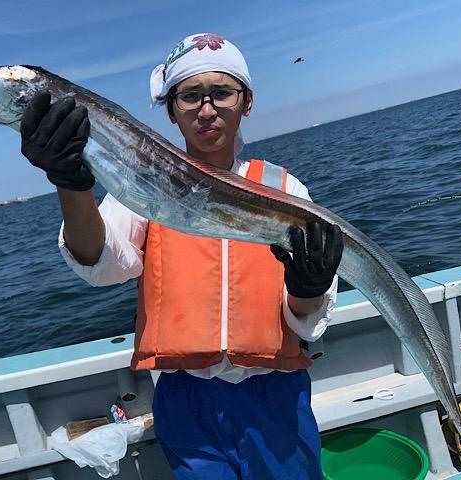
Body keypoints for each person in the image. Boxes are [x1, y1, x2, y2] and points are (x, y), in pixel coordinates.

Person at [20, 32, 343, 480]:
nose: (206, 110)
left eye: (222, 92)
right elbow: (101, 263)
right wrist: (71, 183)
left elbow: (307, 315)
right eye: (190, 96)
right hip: (185, 399)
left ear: (246, 102)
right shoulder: (143, 182)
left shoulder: (285, 190)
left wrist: (309, 288)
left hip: (276, 395)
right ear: (172, 110)